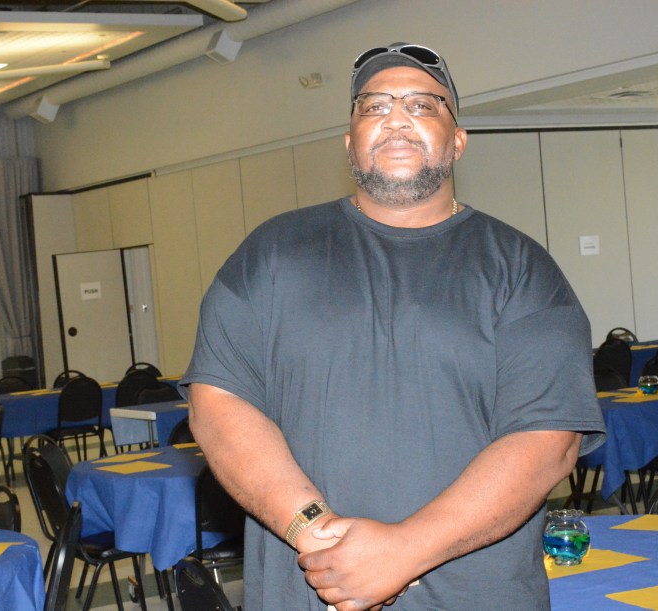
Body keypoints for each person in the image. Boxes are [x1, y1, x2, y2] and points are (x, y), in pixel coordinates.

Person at [181, 42, 606, 610]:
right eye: (374, 107)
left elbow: (547, 440)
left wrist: (405, 550)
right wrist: (315, 531)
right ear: (349, 142)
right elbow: (219, 404)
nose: (396, 119)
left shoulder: (523, 269)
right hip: (307, 588)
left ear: (458, 141)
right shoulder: (272, 253)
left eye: (422, 105)